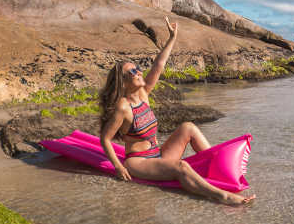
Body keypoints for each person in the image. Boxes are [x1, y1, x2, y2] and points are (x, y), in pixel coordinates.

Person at [98, 17, 255, 206]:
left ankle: (215, 167)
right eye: (132, 72)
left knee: (188, 127)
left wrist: (172, 38)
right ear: (122, 81)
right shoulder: (123, 107)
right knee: (182, 166)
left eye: (138, 69)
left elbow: (158, 66)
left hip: (158, 155)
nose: (139, 72)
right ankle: (222, 196)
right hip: (139, 162)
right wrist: (117, 166)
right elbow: (105, 138)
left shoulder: (143, 95)